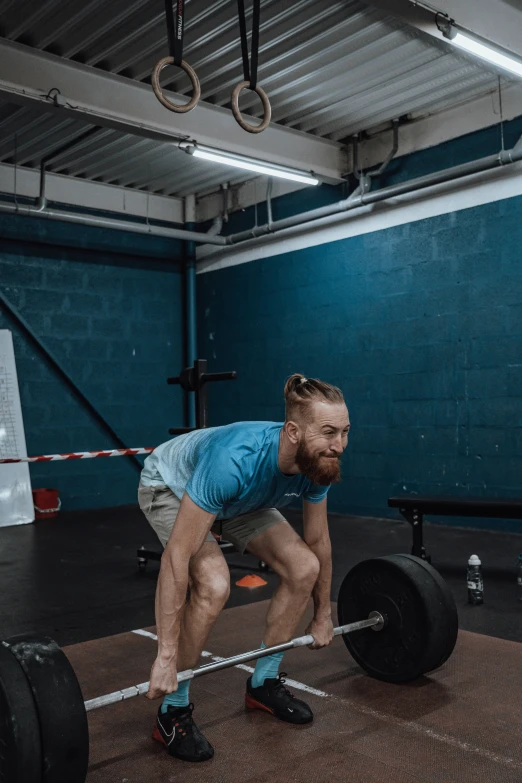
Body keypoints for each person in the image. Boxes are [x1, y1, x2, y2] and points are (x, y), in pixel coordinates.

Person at [137, 373, 350, 762]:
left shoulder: (316, 462)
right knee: (215, 583)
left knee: (304, 566)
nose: (339, 445)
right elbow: (176, 558)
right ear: (293, 432)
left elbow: (318, 542)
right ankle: (173, 710)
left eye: (345, 432)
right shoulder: (235, 460)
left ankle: (263, 684)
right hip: (171, 485)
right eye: (329, 433)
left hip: (238, 499)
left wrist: (324, 614)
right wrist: (164, 657)